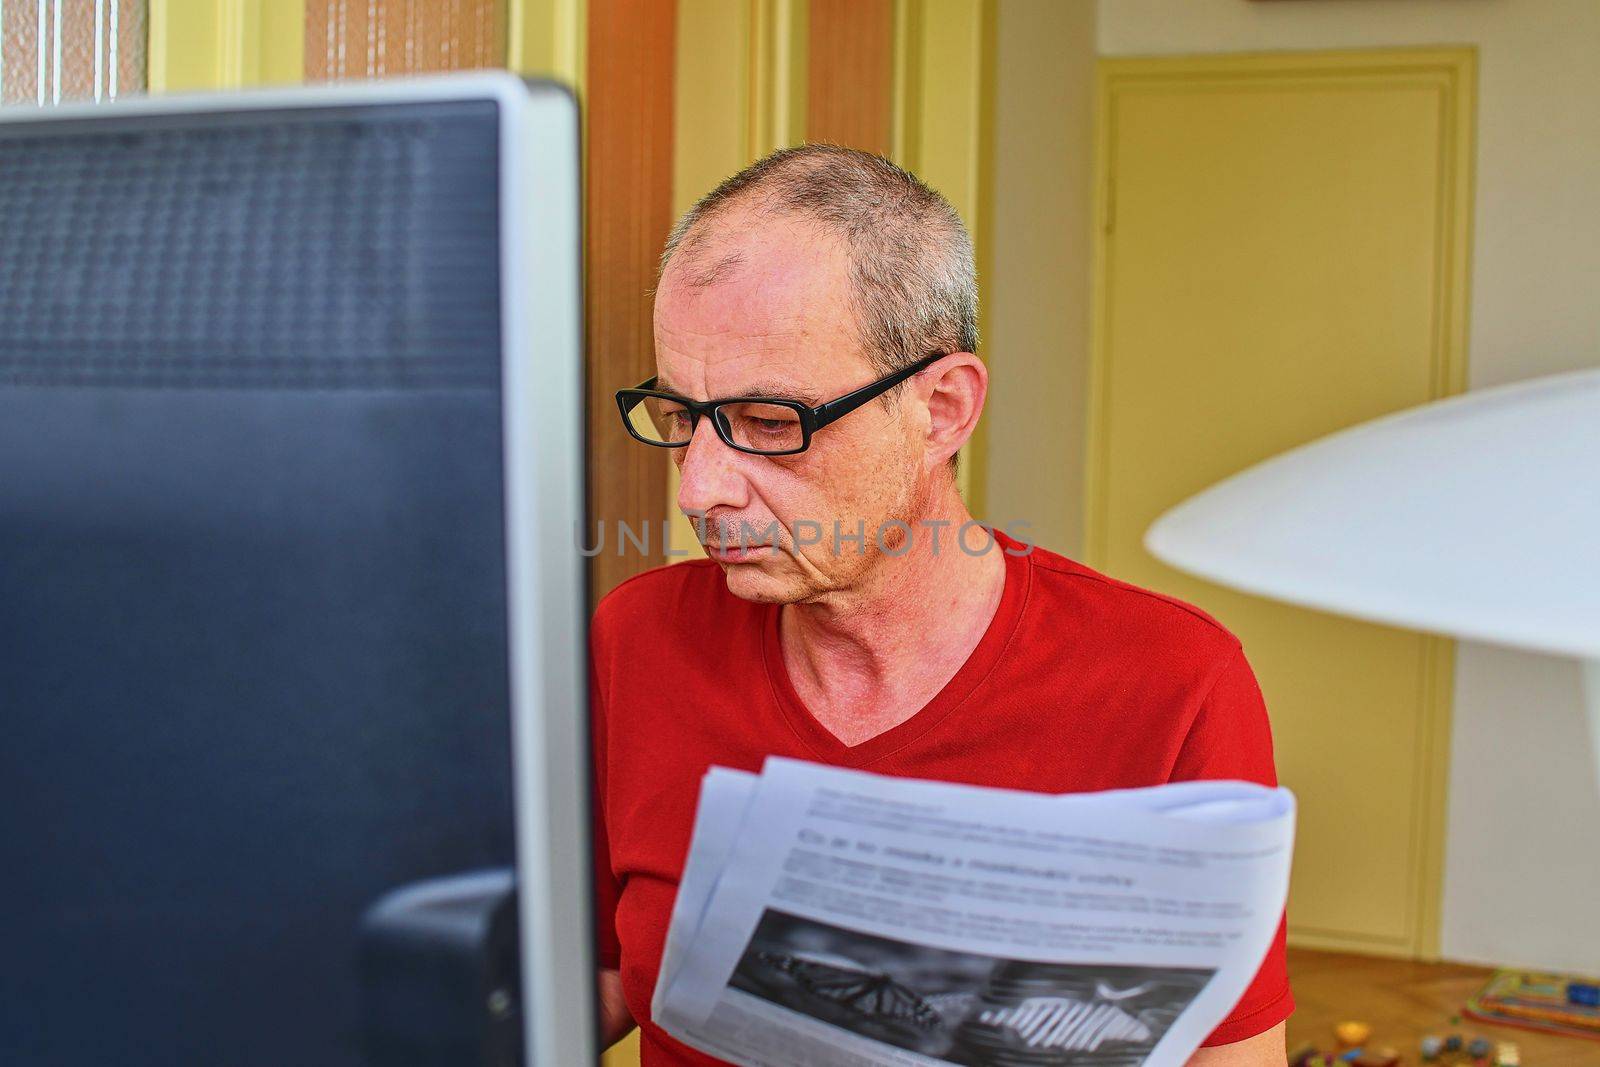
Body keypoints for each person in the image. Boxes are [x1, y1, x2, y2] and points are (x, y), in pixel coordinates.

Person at [591, 143, 1292, 1066]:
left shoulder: (1172, 683)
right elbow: (597, 980)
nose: (700, 489)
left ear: (943, 408)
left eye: (770, 423)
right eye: (682, 417)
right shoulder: (637, 639)